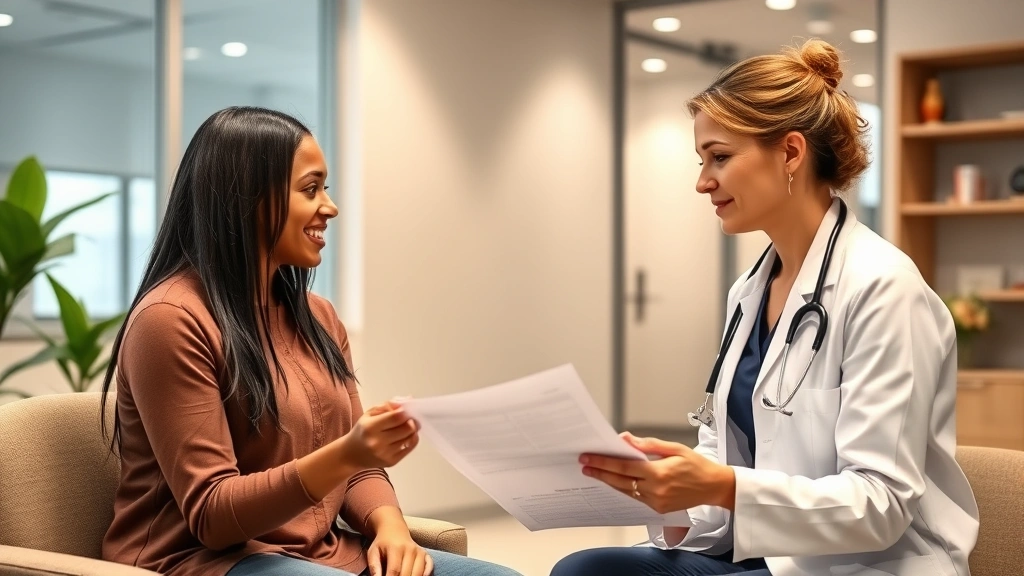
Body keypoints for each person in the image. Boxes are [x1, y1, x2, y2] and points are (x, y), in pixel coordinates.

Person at [551, 39, 979, 576]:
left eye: (720, 157)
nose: (703, 181)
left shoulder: (884, 288)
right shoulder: (749, 292)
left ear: (791, 153)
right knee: (588, 569)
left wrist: (722, 485)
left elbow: (881, 504)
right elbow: (729, 454)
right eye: (703, 160)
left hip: (868, 565)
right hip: (764, 557)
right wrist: (667, 491)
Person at [99, 106, 522, 576]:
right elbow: (214, 517)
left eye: (326, 188)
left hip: (320, 554)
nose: (330, 206)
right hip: (205, 561)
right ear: (247, 199)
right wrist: (349, 452)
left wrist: (391, 527)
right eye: (310, 189)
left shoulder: (318, 317)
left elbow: (358, 467)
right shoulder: (170, 320)